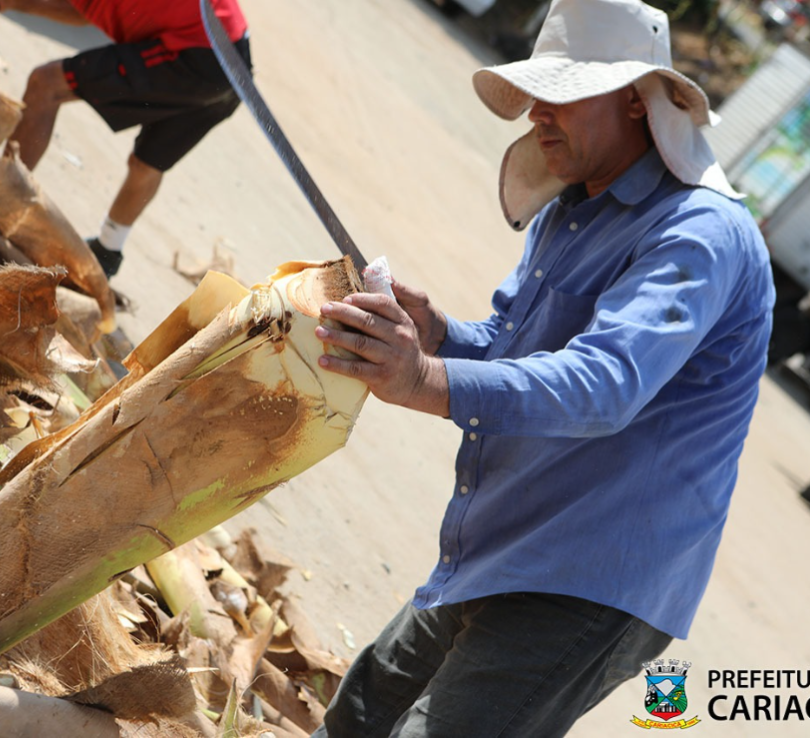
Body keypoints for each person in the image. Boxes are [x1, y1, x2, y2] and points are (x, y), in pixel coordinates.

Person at [312, 0, 775, 736]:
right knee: (361, 713)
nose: (537, 116)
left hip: (592, 578)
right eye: (537, 96)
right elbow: (511, 343)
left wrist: (423, 379)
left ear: (636, 100)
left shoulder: (700, 235)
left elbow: (604, 385)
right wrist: (435, 336)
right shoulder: (572, 206)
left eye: (561, 95)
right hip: (511, 540)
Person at [0, 0, 250, 278]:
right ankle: (108, 251)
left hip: (196, 53)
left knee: (46, 85)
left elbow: (82, 12)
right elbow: (85, 11)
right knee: (147, 163)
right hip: (235, 58)